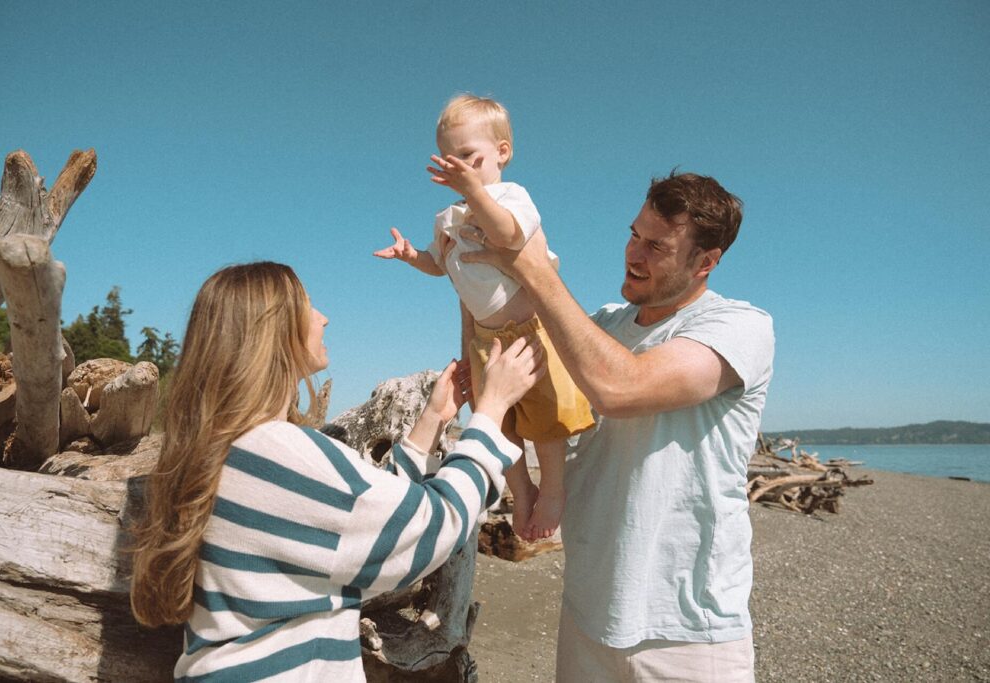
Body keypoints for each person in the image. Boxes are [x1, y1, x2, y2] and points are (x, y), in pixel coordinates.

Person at [129, 261, 543, 681]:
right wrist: (491, 413)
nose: (323, 317)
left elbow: (355, 523)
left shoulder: (234, 448)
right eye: (307, 306)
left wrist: (431, 421)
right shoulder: (276, 452)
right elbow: (431, 528)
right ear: (272, 331)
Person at [459, 171, 775, 682]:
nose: (634, 253)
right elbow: (501, 384)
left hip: (686, 631)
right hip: (588, 611)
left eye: (656, 246)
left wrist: (531, 266)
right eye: (634, 234)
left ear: (705, 263)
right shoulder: (602, 325)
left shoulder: (740, 326)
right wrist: (471, 284)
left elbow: (621, 388)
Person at [374, 94, 594, 541]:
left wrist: (475, 191)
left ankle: (553, 490)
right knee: (498, 421)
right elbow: (440, 264)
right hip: (486, 339)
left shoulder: (511, 197)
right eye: (452, 160)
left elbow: (509, 234)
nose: (461, 170)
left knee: (547, 418)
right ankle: (521, 490)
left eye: (470, 158)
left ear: (502, 153)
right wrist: (411, 255)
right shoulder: (448, 218)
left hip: (530, 330)